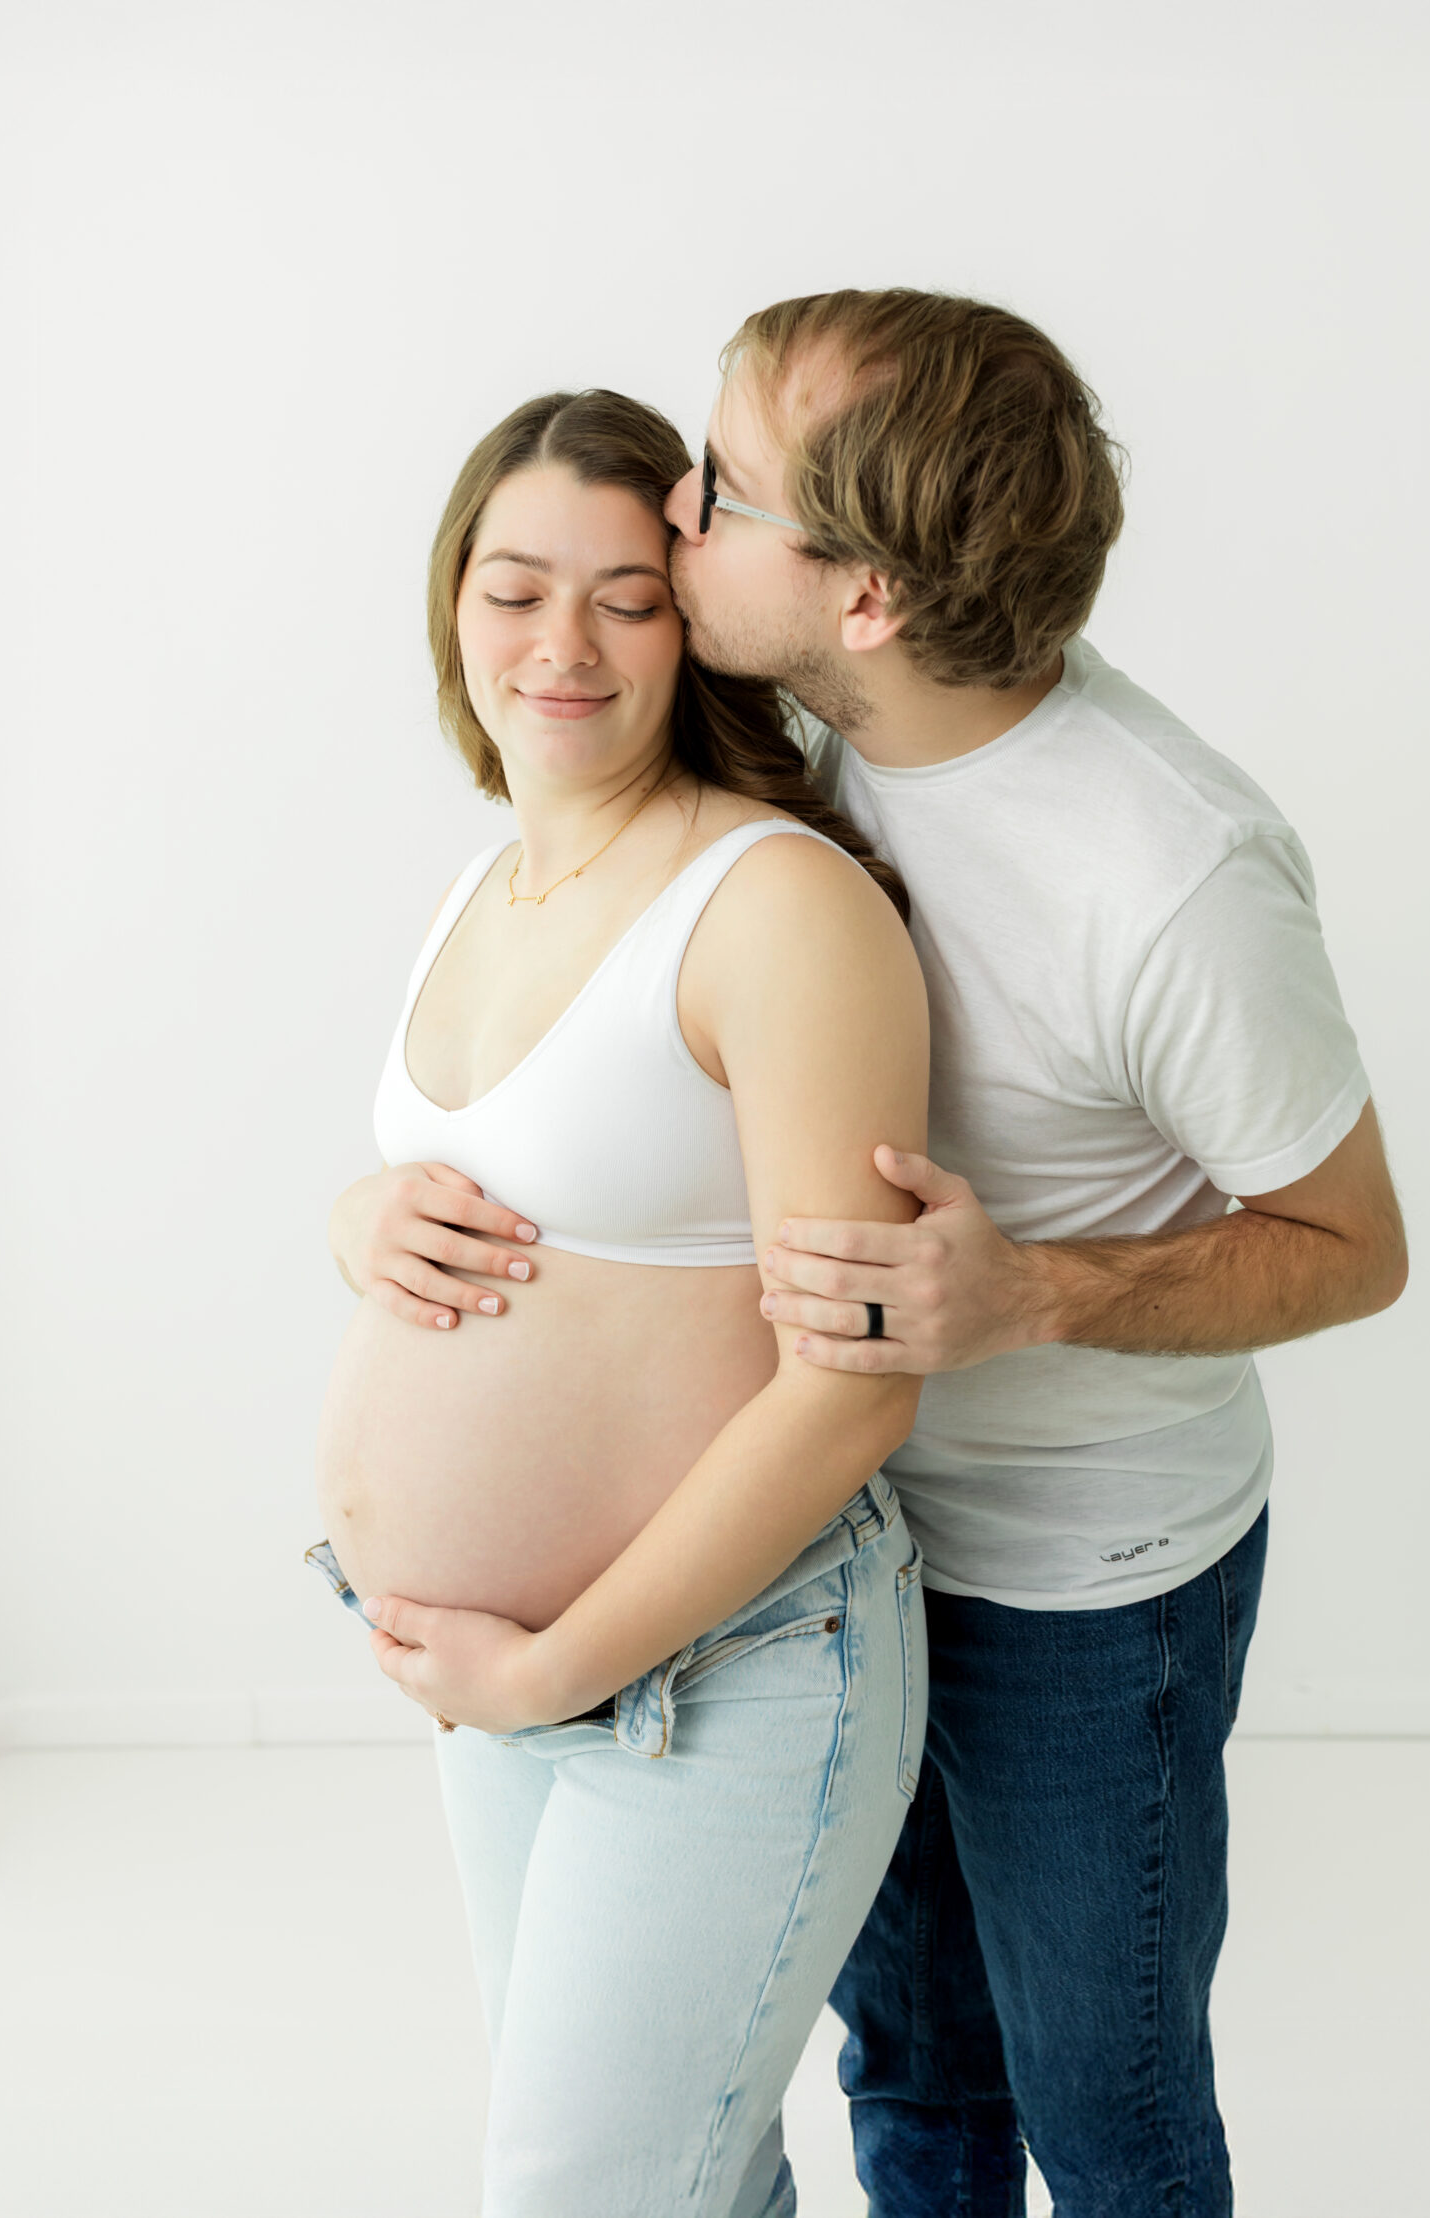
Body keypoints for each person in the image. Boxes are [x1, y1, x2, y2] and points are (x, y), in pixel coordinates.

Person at [353, 294, 1411, 2216]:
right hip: (825, 1557)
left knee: (1106, 2107)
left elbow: (1354, 1246)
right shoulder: (795, 744)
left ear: (860, 599)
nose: (676, 510)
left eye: (722, 494)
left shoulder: (1165, 874)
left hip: (1088, 1579)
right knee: (913, 2077)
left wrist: (1043, 1292)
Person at [312, 387, 934, 2218]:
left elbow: (857, 1386)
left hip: (718, 1676)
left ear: (693, 622)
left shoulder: (778, 901)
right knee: (680, 2181)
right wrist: (360, 1220)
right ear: (452, 604)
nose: (559, 643)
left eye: (622, 597)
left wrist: (558, 1668)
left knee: (593, 2194)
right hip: (516, 1690)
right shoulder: (489, 882)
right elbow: (542, 1200)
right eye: (512, 589)